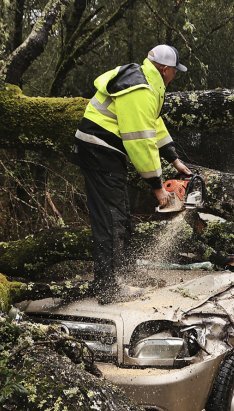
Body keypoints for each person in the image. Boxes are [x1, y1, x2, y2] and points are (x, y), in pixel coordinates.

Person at [74, 45, 193, 303]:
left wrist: (174, 158)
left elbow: (154, 124)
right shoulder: (140, 89)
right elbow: (140, 142)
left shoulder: (147, 83)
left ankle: (122, 276)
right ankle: (109, 287)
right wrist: (158, 187)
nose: (175, 75)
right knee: (111, 219)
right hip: (99, 149)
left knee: (121, 214)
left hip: (103, 150)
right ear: (164, 69)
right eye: (174, 71)